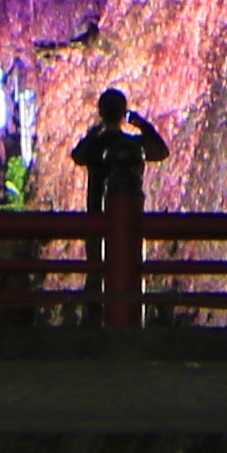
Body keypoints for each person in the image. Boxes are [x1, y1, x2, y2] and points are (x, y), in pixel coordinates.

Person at [70, 87, 172, 327]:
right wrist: (141, 124)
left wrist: (94, 132)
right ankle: (132, 320)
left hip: (97, 216)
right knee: (131, 269)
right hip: (130, 220)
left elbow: (78, 155)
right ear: (123, 111)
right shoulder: (133, 145)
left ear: (100, 112)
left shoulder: (96, 145)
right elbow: (160, 151)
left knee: (96, 269)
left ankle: (93, 321)